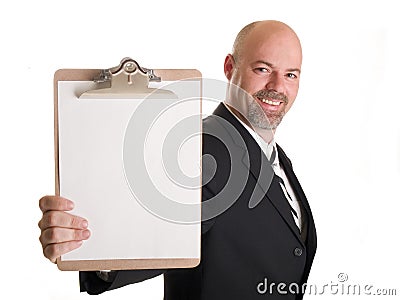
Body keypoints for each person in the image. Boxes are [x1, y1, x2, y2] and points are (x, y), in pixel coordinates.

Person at [38, 20, 317, 299]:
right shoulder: (199, 150)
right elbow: (157, 232)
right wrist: (86, 242)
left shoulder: (279, 159)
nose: (277, 86)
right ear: (230, 68)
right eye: (263, 69)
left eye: (291, 74)